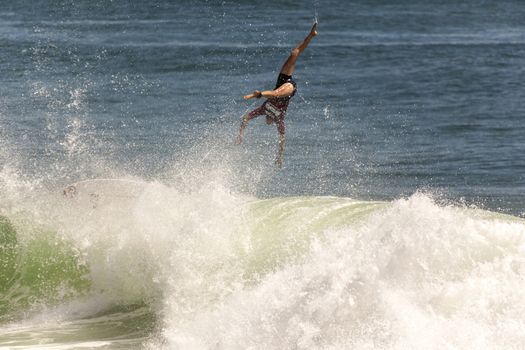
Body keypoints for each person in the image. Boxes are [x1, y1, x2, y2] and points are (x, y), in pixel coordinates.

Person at [237, 22, 318, 167]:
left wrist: (240, 135)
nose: (268, 122)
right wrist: (279, 157)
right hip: (287, 90)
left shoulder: (262, 110)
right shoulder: (279, 119)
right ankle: (260, 93)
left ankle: (311, 35)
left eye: (267, 121)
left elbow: (245, 118)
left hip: (282, 82)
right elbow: (282, 139)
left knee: (294, 53)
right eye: (269, 122)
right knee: (275, 94)